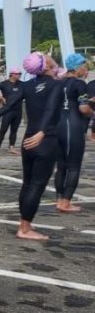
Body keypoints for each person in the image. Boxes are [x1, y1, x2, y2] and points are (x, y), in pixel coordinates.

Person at [0, 53, 64, 241]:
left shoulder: (26, 85)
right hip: (45, 139)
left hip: (28, 139)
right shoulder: (56, 85)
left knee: (28, 183)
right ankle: (25, 227)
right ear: (46, 65)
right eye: (46, 57)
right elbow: (50, 109)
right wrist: (43, 132)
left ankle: (25, 222)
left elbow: (9, 106)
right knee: (37, 185)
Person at [51, 53, 92, 213]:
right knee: (74, 166)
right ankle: (66, 202)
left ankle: (59, 200)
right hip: (73, 126)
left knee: (61, 166)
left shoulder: (58, 83)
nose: (86, 69)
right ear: (77, 68)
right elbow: (83, 108)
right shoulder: (79, 83)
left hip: (58, 126)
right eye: (84, 66)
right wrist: (93, 114)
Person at [0, 68, 24, 155]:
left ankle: (11, 148)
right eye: (18, 74)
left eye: (20, 74)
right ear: (12, 74)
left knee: (14, 130)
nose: (19, 75)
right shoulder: (4, 84)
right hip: (8, 111)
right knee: (3, 130)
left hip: (18, 111)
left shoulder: (22, 84)